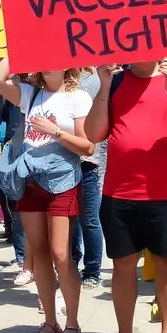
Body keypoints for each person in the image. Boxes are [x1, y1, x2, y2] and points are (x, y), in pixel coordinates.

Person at [87, 59, 167, 333]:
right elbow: (94, 133)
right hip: (118, 193)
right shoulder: (116, 81)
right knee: (123, 267)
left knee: (166, 263)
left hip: (165, 194)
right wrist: (104, 86)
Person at [0, 59, 93, 333]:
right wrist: (18, 45)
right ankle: (50, 322)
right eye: (42, 58)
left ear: (68, 65)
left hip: (62, 180)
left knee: (62, 254)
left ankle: (72, 324)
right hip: (30, 180)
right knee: (40, 256)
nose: (47, 64)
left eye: (53, 59)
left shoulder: (78, 97)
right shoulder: (30, 94)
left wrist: (55, 131)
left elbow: (88, 147)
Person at [71, 67, 106, 289]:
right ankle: (71, 266)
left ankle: (92, 270)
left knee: (90, 219)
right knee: (70, 219)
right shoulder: (61, 80)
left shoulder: (95, 80)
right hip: (65, 162)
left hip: (89, 161)